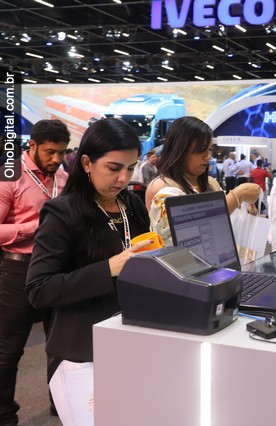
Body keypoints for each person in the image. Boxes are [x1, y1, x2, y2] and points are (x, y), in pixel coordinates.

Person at [25, 118, 153, 426]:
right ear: (86, 163)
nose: (123, 178)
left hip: (131, 341)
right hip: (81, 351)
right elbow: (39, 289)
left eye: (131, 168)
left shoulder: (132, 205)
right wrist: (109, 268)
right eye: (113, 168)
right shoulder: (63, 212)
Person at [0, 119, 70, 426]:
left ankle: (63, 404)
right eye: (50, 152)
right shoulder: (9, 176)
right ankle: (4, 415)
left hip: (58, 269)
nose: (56, 159)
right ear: (32, 146)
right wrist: (36, 226)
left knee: (60, 344)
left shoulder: (64, 177)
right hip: (19, 268)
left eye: (62, 153)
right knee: (8, 349)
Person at [145, 117, 260, 245]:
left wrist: (243, 212)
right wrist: (238, 195)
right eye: (201, 149)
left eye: (210, 149)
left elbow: (221, 225)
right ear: (179, 149)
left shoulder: (211, 183)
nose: (208, 156)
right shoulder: (162, 186)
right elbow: (190, 231)